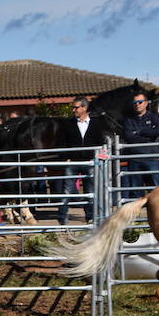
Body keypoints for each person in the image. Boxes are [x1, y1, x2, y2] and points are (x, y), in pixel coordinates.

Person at [51, 96, 107, 225]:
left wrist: (97, 157)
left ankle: (90, 217)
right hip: (73, 162)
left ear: (85, 108)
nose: (73, 110)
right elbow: (61, 142)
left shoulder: (96, 124)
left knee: (90, 191)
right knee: (67, 191)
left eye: (76, 107)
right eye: (73, 107)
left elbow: (101, 142)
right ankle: (62, 218)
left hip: (90, 162)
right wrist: (65, 158)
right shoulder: (68, 123)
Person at [122, 91, 159, 198]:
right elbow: (128, 136)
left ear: (146, 103)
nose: (137, 104)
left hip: (151, 157)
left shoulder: (154, 117)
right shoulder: (128, 120)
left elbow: (157, 132)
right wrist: (147, 134)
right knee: (136, 188)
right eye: (135, 102)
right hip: (135, 158)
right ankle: (138, 211)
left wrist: (139, 132)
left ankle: (158, 207)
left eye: (140, 102)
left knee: (156, 186)